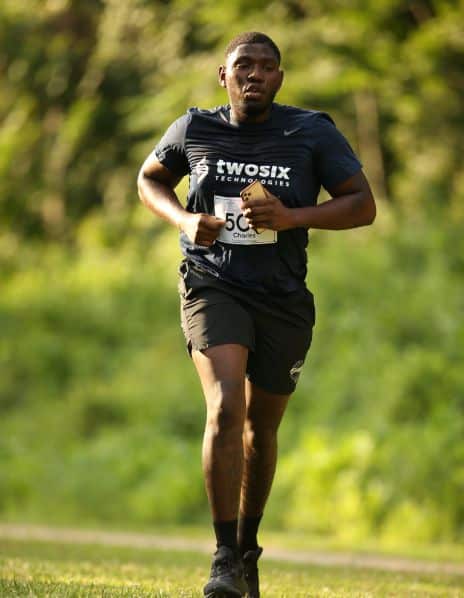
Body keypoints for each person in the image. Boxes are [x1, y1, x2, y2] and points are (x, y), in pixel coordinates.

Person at [137, 31, 376, 598]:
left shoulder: (311, 131)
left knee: (259, 429)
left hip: (283, 297)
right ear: (223, 75)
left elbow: (362, 205)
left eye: (268, 67)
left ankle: (247, 551)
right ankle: (222, 558)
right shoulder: (194, 128)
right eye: (244, 65)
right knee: (225, 405)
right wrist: (183, 220)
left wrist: (291, 217)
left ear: (280, 78)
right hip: (212, 284)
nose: (256, 75)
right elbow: (149, 179)